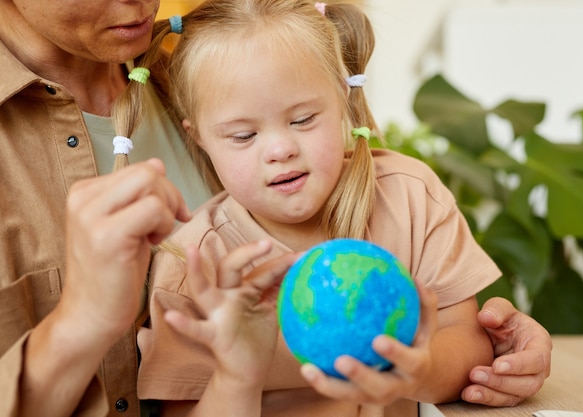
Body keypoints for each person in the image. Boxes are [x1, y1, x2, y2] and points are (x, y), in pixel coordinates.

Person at [0, 0, 550, 416]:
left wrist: (469, 356)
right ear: (203, 138)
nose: (281, 148)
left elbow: (461, 337)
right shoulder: (194, 259)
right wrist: (237, 370)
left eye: (304, 120)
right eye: (241, 135)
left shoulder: (398, 185)